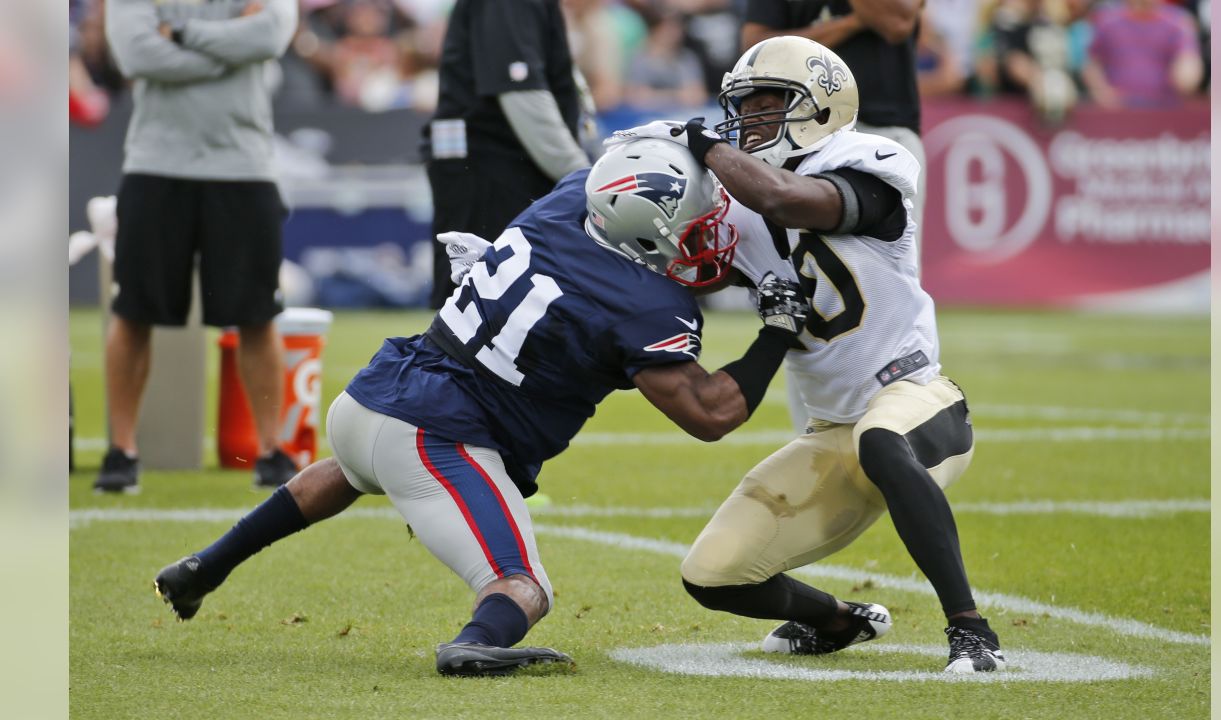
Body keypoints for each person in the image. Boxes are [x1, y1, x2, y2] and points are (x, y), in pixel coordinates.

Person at [151, 139, 811, 677]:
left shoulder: (564, 202)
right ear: (644, 233)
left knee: (352, 469)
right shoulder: (646, 304)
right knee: (523, 586)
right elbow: (710, 414)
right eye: (698, 226)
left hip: (368, 403)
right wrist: (778, 329)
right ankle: (476, 642)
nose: (711, 238)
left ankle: (205, 566)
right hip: (437, 437)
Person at [618, 35, 1004, 673]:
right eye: (744, 107)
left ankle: (971, 628)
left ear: (823, 104)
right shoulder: (737, 205)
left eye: (771, 104)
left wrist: (705, 147)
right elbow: (679, 264)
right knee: (712, 575)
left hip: (917, 403)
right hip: (833, 432)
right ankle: (838, 622)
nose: (752, 121)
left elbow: (791, 200)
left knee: (880, 441)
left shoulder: (875, 160)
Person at [98, 0, 300, 493]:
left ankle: (270, 451)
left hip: (244, 167)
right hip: (155, 165)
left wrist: (181, 34)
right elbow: (136, 55)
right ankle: (122, 451)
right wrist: (233, 42)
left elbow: (271, 36)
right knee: (133, 311)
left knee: (258, 314)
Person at [739, 0, 927, 433]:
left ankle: (900, 425)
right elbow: (757, 51)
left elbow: (896, 21)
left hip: (881, 131)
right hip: (802, 132)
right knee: (797, 290)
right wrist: (852, 24)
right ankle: (818, 434)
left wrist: (818, 38)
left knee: (892, 292)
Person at [423, 0, 593, 310]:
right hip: (493, 167)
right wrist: (585, 179)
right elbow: (521, 93)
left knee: (493, 302)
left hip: (491, 162)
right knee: (479, 301)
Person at [1080, 0, 1204, 109]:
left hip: (1165, 106)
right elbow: (1092, 62)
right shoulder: (1106, 20)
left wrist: (1187, 74)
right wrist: (1101, 91)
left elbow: (1189, 61)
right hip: (1118, 108)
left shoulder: (1178, 21)